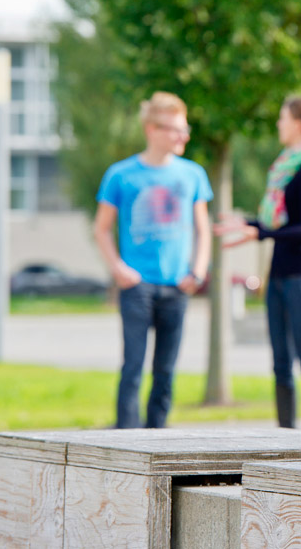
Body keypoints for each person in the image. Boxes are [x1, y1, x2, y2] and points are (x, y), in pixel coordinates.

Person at [215, 97, 301, 432]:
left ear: (298, 124)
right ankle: (286, 436)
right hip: (280, 274)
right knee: (280, 364)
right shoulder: (285, 164)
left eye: (282, 118)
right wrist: (248, 223)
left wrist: (259, 231)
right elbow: (280, 223)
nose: (278, 124)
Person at [94, 92, 212, 429]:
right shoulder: (121, 175)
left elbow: (202, 229)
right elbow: (101, 229)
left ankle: (157, 441)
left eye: (184, 129)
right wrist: (118, 268)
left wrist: (198, 271)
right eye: (175, 129)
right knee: (132, 366)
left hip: (177, 286)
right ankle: (126, 441)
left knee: (166, 370)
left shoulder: (192, 175)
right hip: (137, 286)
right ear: (151, 129)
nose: (183, 136)